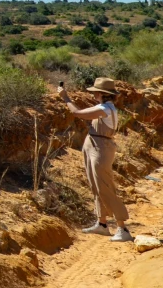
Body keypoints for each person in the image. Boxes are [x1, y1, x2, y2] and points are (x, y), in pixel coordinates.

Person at [57, 77, 133, 242]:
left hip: (100, 148)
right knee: (96, 186)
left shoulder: (104, 108)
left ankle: (123, 229)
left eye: (95, 92)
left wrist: (65, 97)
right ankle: (102, 224)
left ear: (101, 94)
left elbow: (76, 113)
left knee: (105, 187)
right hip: (94, 145)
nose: (93, 94)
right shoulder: (105, 107)